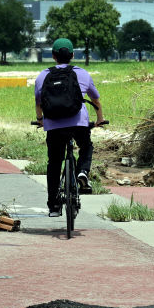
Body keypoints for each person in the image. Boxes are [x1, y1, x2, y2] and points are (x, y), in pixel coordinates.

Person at [34, 38, 104, 217]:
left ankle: (54, 206)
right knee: (86, 146)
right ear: (73, 55)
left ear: (53, 56)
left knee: (54, 163)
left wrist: (40, 120)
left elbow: (39, 102)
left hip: (54, 125)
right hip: (78, 123)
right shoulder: (82, 74)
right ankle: (82, 172)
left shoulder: (43, 75)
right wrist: (99, 119)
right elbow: (95, 100)